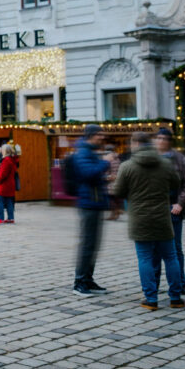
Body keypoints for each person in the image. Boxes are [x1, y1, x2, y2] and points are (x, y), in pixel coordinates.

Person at [112, 132, 185, 311]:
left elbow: (118, 191)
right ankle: (175, 297)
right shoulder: (165, 164)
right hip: (162, 216)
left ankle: (151, 299)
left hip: (140, 217)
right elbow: (176, 184)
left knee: (145, 258)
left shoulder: (127, 166)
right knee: (170, 256)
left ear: (136, 143)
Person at [72, 124, 117, 296]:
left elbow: (92, 176)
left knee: (94, 245)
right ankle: (79, 282)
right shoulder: (83, 152)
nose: (102, 137)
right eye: (100, 134)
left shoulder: (90, 151)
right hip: (88, 204)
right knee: (87, 245)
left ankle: (88, 280)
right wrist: (106, 162)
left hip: (95, 202)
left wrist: (105, 178)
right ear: (91, 135)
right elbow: (86, 173)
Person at [155, 128, 185, 296]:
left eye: (165, 138)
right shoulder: (150, 157)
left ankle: (180, 283)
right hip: (154, 210)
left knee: (175, 249)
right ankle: (153, 285)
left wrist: (180, 203)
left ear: (170, 141)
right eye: (159, 138)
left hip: (173, 209)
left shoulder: (179, 159)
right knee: (154, 250)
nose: (162, 141)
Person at [0, 144, 17, 224]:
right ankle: (11, 218)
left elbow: (3, 174)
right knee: (8, 201)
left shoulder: (6, 160)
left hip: (4, 184)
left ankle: (1, 218)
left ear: (5, 151)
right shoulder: (12, 159)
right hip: (10, 183)